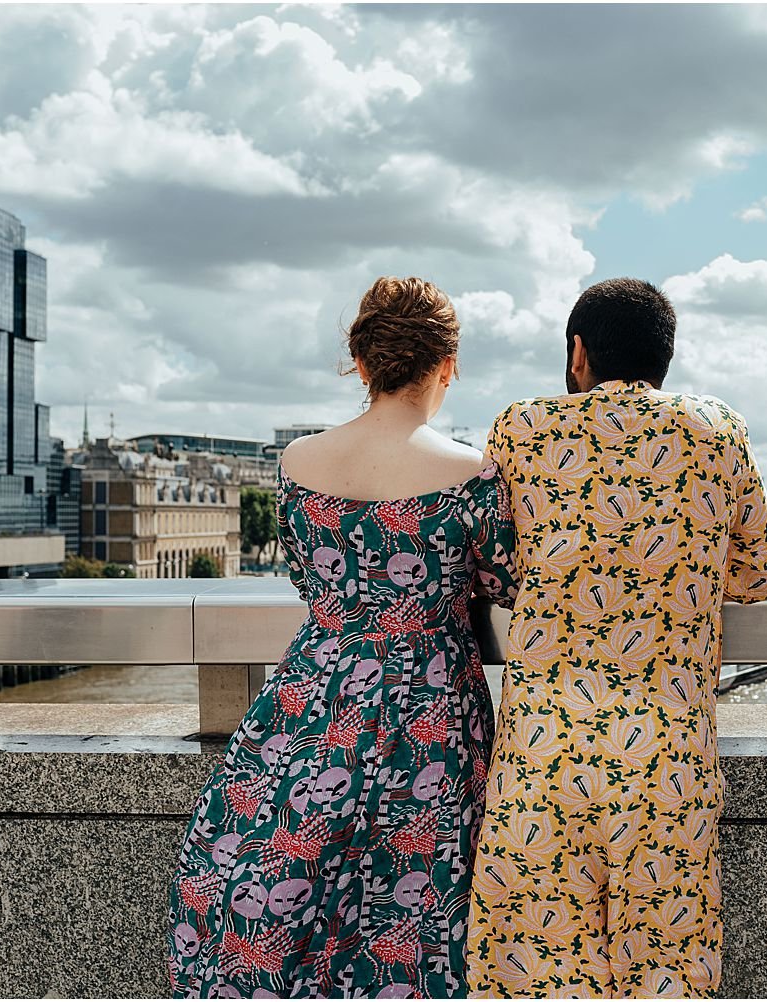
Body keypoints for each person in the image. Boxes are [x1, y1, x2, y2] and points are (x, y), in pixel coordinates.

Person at [166, 277, 517, 998]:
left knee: (284, 868)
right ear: (447, 365)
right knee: (420, 894)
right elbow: (506, 581)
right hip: (431, 707)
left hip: (315, 690)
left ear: (360, 362)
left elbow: (306, 575)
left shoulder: (297, 464)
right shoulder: (473, 474)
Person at [465, 277, 767, 998]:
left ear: (577, 352)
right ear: (666, 356)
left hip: (544, 753)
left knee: (534, 969)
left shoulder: (520, 429)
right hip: (667, 752)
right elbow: (761, 574)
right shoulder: (717, 427)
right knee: (668, 969)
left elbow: (494, 565)